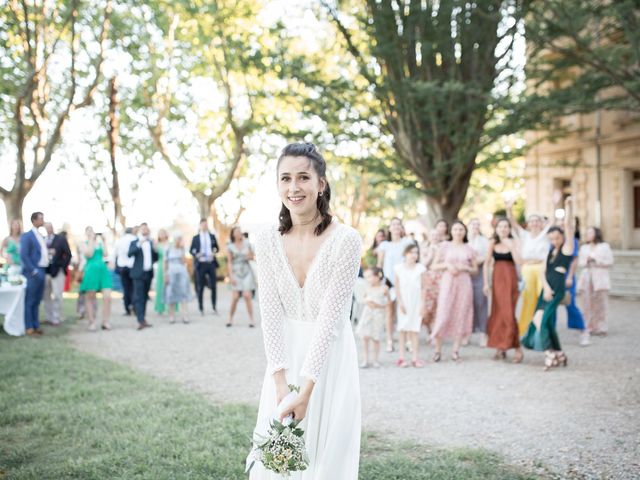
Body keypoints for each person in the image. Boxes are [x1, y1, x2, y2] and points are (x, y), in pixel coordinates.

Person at [247, 143, 361, 478]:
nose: (293, 187)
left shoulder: (346, 240)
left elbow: (330, 321)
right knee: (278, 460)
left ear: (321, 183)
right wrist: (280, 382)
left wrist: (307, 389)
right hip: (283, 359)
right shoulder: (266, 238)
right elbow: (269, 312)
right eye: (285, 178)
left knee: (324, 457)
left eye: (303, 177)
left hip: (329, 359)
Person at [521, 197, 575, 371]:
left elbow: (568, 227)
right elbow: (543, 272)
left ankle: (549, 354)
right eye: (551, 239)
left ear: (561, 237)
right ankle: (559, 353)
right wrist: (545, 287)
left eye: (557, 238)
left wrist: (568, 206)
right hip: (546, 289)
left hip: (557, 289)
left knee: (544, 322)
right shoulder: (550, 251)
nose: (554, 241)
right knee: (539, 320)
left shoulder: (567, 249)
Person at [430, 220, 477, 362]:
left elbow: (475, 269)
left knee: (461, 313)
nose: (458, 232)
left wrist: (465, 268)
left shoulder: (469, 248)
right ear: (451, 231)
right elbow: (434, 265)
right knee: (443, 313)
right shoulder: (444, 246)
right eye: (455, 229)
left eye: (461, 229)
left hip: (464, 282)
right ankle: (437, 349)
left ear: (465, 232)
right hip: (448, 281)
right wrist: (447, 265)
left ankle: (456, 350)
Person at [506, 201, 551, 335]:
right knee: (528, 299)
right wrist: (509, 209)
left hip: (542, 269)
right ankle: (524, 328)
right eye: (531, 221)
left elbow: (552, 222)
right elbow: (513, 223)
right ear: (528, 223)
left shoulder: (545, 234)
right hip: (528, 269)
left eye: (537, 220)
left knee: (541, 298)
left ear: (541, 222)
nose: (534, 223)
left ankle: (541, 327)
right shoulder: (524, 235)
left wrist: (554, 204)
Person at [483, 218, 523, 363]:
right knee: (497, 312)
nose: (503, 229)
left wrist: (511, 247)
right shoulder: (492, 243)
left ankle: (517, 347)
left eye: (506, 226)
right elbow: (486, 264)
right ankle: (500, 346)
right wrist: (486, 283)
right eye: (500, 226)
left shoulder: (514, 242)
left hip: (510, 279)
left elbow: (519, 262)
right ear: (496, 229)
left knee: (509, 313)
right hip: (497, 279)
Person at [376, 217, 413, 352]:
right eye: (393, 224)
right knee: (389, 312)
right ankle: (390, 341)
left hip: (404, 281)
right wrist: (382, 283)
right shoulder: (384, 245)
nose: (396, 226)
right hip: (389, 282)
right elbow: (379, 266)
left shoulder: (408, 242)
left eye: (398, 224)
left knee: (405, 311)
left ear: (402, 228)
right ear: (390, 228)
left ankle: (408, 340)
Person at [394, 244, 427, 368]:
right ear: (405, 254)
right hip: (404, 302)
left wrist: (423, 304)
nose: (413, 255)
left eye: (416, 252)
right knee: (402, 329)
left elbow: (424, 287)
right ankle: (401, 357)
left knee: (414, 329)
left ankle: (415, 357)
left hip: (416, 301)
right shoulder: (398, 268)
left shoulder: (421, 268)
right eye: (411, 252)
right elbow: (397, 287)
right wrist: (400, 302)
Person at [577, 227, 614, 336]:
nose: (588, 234)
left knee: (601, 303)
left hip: (600, 275)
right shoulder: (584, 247)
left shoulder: (604, 246)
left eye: (590, 232)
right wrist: (586, 260)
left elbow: (610, 261)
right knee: (586, 302)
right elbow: (580, 262)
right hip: (587, 275)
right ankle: (588, 326)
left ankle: (601, 327)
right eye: (587, 232)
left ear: (596, 234)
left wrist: (596, 258)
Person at [20, 212, 48, 336]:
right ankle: (29, 326)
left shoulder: (41, 235)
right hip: (33, 272)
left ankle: (36, 325)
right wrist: (33, 270)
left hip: (42, 270)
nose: (43, 220)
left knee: (37, 300)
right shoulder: (27, 236)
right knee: (30, 300)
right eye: (41, 218)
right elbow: (24, 255)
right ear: (34, 220)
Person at [79, 227, 112, 331]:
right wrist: (91, 241)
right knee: (90, 297)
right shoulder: (84, 243)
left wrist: (104, 241)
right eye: (89, 231)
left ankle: (105, 321)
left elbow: (106, 254)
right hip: (91, 271)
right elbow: (89, 254)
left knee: (107, 297)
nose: (92, 233)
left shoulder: (100, 243)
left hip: (102, 270)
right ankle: (91, 321)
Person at [356, 267, 389, 368]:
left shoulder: (384, 288)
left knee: (376, 337)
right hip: (367, 314)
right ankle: (365, 359)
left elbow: (388, 302)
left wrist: (378, 305)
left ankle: (375, 359)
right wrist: (367, 301)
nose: (368, 279)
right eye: (366, 277)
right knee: (365, 336)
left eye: (370, 276)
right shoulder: (367, 288)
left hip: (378, 315)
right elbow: (362, 299)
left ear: (377, 276)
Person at [128, 222, 158, 330]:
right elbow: (130, 253)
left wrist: (155, 248)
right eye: (143, 228)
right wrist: (139, 243)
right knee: (139, 297)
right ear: (139, 230)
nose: (145, 230)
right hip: (138, 274)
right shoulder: (134, 242)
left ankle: (143, 318)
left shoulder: (150, 242)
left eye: (146, 228)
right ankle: (140, 320)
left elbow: (156, 258)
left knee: (145, 297)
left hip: (148, 273)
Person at [226, 225, 256, 327]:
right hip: (236, 272)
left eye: (240, 231)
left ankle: (251, 319)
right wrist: (231, 276)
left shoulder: (248, 244)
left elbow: (253, 257)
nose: (239, 233)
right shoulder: (230, 246)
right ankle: (230, 318)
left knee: (247, 296)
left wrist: (249, 256)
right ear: (233, 234)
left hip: (246, 270)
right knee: (235, 297)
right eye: (237, 232)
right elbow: (229, 262)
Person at [43, 223, 72, 326]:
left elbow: (68, 254)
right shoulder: (42, 239)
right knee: (46, 295)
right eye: (47, 227)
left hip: (58, 271)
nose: (49, 229)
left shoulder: (60, 239)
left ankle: (56, 318)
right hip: (46, 271)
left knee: (57, 295)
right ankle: (48, 317)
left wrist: (62, 266)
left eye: (50, 226)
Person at [190, 218, 220, 315]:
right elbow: (191, 251)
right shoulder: (196, 238)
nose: (205, 226)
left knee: (214, 286)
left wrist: (213, 252)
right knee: (200, 286)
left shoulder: (212, 236)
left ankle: (214, 307)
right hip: (201, 264)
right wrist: (196, 254)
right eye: (203, 224)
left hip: (211, 263)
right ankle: (201, 307)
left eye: (206, 224)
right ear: (200, 225)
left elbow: (217, 248)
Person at [421, 226, 447, 337]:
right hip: (428, 279)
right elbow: (423, 265)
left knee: (439, 304)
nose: (435, 237)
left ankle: (436, 331)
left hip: (441, 279)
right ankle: (429, 329)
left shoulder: (444, 248)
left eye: (437, 235)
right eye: (433, 235)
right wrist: (431, 254)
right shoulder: (425, 248)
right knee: (428, 305)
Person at [468, 218, 489, 346]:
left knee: (481, 302)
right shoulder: (465, 240)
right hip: (465, 273)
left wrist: (475, 262)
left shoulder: (484, 241)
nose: (475, 227)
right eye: (473, 224)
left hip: (480, 272)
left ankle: (483, 333)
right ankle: (468, 332)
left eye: (477, 224)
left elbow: (487, 256)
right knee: (467, 303)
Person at [164, 234, 191, 324]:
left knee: (183, 293)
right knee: (171, 293)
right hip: (171, 272)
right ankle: (171, 316)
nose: (179, 241)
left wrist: (182, 250)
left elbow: (184, 262)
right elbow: (165, 263)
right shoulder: (168, 249)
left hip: (181, 272)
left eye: (180, 239)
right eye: (178, 239)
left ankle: (185, 315)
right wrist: (166, 275)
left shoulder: (182, 249)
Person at [114, 227, 136, 315]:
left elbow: (115, 253)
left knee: (126, 288)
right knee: (133, 288)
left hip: (122, 267)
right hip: (132, 266)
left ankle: (127, 309)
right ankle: (134, 307)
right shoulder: (135, 239)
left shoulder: (120, 240)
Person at [154, 229, 169, 315]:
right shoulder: (157, 245)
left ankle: (170, 307)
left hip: (169, 265)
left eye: (163, 233)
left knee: (169, 286)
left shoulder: (170, 244)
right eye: (160, 234)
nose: (162, 235)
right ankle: (160, 307)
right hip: (160, 267)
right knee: (160, 286)